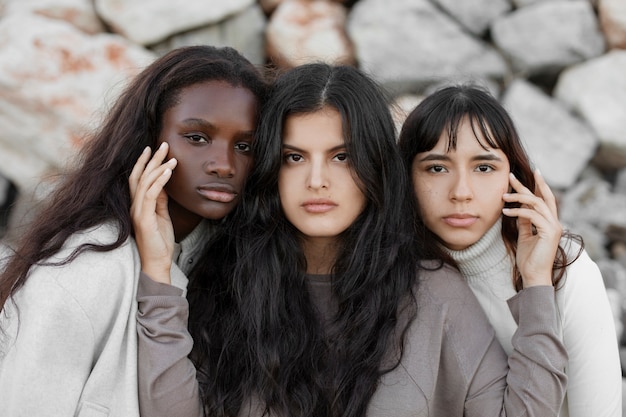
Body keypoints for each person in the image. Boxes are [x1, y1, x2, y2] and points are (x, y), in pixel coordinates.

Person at [134, 63, 568, 417]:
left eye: (342, 157)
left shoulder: (433, 292)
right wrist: (157, 272)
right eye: (294, 157)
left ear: (374, 166)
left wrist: (536, 286)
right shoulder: (228, 280)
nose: (317, 181)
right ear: (270, 168)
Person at [0, 45, 267, 416]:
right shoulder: (78, 276)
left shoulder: (240, 263)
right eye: (197, 137)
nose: (224, 164)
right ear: (147, 138)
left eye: (244, 146)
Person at [398, 84, 622, 417]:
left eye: (484, 168)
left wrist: (536, 281)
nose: (461, 192)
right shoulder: (390, 272)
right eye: (437, 168)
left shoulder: (566, 268)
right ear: (406, 179)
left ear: (512, 178)